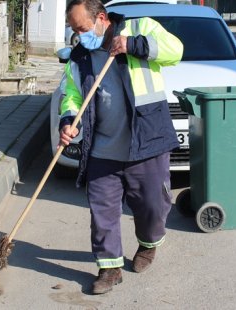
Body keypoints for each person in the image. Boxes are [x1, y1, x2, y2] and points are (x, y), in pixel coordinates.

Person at [59, 0, 183, 295]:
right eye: (74, 30)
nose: (78, 35)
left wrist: (134, 44)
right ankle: (109, 267)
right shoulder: (79, 56)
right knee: (102, 210)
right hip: (103, 147)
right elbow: (71, 94)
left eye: (82, 28)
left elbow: (175, 51)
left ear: (101, 18)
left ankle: (149, 244)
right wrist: (68, 121)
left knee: (152, 206)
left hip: (147, 141)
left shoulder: (140, 27)